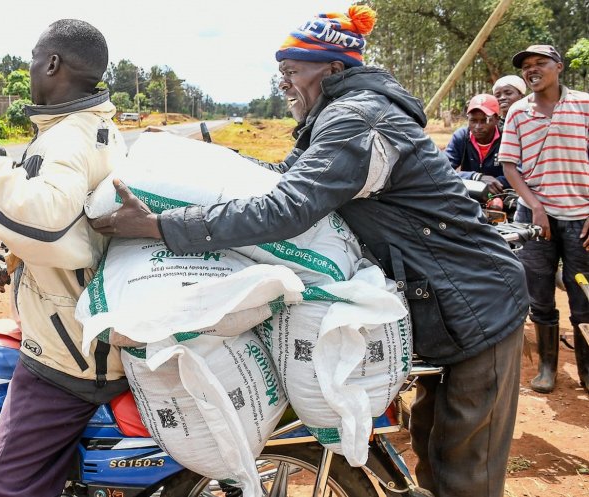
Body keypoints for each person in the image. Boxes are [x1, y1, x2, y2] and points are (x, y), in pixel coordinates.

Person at [91, 6, 528, 497]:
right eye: (282, 73)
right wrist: (198, 163)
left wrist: (162, 225)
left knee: (465, 467)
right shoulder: (336, 117)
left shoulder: (356, 121)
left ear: (335, 70)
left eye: (292, 72)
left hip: (478, 304)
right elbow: (277, 178)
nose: (284, 83)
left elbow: (287, 207)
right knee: (431, 442)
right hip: (442, 302)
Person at [0, 19, 128, 497]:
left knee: (4, 483)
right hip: (88, 327)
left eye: (31, 59)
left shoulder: (67, 137)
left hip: (68, 356)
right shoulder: (98, 126)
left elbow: (44, 220)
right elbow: (80, 226)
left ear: (52, 63)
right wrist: (14, 257)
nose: (28, 70)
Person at [500, 44, 589, 394]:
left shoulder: (584, 104)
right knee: (539, 294)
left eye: (540, 64)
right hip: (536, 220)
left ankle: (585, 369)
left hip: (581, 220)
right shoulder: (519, 112)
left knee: (583, 293)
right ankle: (548, 368)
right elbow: (509, 165)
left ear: (559, 67)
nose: (532, 70)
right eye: (526, 67)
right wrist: (535, 206)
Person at [444, 93, 508, 194]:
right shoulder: (461, 137)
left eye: (484, 121)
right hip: (468, 195)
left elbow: (520, 173)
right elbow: (442, 169)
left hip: (501, 193)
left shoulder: (507, 138)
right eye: (473, 120)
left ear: (496, 120)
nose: (478, 126)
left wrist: (495, 183)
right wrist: (476, 177)